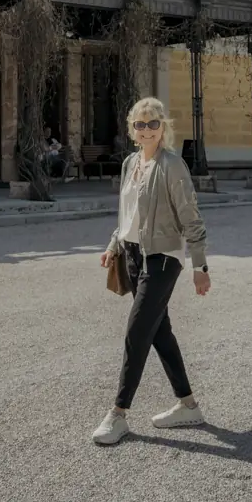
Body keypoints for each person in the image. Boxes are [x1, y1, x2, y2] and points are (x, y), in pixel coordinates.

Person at [93, 97, 210, 446]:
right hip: (132, 255)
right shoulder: (131, 163)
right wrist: (114, 243)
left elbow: (191, 217)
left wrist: (200, 265)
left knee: (137, 331)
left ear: (164, 127)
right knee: (160, 333)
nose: (147, 130)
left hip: (162, 258)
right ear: (132, 130)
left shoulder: (173, 166)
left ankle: (118, 414)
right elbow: (127, 214)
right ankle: (188, 405)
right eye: (140, 124)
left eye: (153, 123)